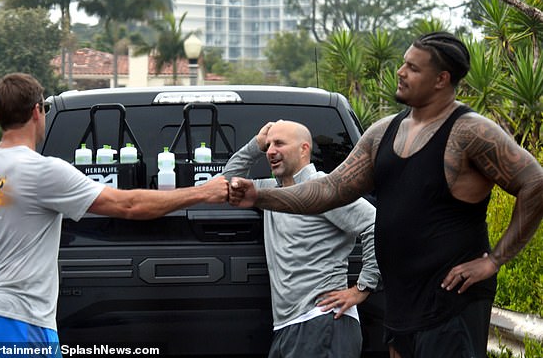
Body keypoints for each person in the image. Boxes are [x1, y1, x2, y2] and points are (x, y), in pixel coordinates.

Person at [229, 31, 543, 358]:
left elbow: (535, 183)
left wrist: (493, 261)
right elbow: (329, 190)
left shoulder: (470, 132)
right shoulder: (383, 132)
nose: (400, 72)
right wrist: (258, 196)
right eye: (403, 63)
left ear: (441, 79)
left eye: (413, 67)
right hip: (401, 302)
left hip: (451, 301)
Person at [0, 73, 229, 357]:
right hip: (21, 318)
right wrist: (203, 192)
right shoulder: (41, 170)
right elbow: (128, 205)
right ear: (37, 111)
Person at [221, 120, 379, 357]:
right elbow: (227, 183)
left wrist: (362, 287)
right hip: (290, 326)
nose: (271, 150)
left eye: (280, 143)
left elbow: (376, 223)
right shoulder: (270, 192)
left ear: (304, 149)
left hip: (322, 321)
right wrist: (256, 145)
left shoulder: (323, 188)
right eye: (269, 145)